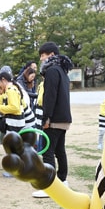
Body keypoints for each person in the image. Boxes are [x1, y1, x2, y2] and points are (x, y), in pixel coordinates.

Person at [32, 42, 73, 198]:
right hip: (64, 118)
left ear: (52, 55)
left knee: (48, 152)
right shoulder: (63, 71)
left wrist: (46, 118)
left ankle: (50, 186)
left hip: (54, 118)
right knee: (59, 150)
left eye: (43, 55)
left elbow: (50, 97)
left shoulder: (51, 71)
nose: (41, 59)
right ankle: (62, 180)